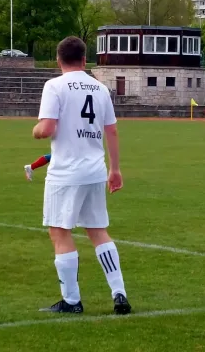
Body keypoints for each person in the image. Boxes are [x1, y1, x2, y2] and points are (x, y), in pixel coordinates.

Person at [32, 36, 131, 315]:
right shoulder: (100, 88)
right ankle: (119, 292)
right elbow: (111, 130)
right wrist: (115, 169)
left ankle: (72, 301)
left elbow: (48, 127)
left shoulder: (54, 86)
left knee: (59, 231)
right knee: (98, 231)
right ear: (85, 59)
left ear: (58, 59)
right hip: (95, 170)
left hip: (65, 172)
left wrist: (36, 130)